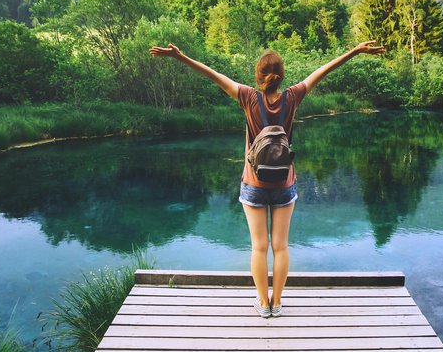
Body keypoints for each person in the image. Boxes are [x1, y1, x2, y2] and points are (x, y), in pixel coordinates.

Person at [149, 41, 385, 317]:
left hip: (254, 184)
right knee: (280, 246)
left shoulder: (248, 97)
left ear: (258, 77)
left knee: (259, 247)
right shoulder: (293, 96)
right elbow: (324, 70)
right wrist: (355, 51)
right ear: (282, 76)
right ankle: (277, 301)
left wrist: (181, 57)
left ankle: (263, 304)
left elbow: (211, 74)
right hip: (284, 183)